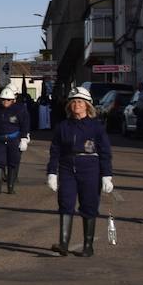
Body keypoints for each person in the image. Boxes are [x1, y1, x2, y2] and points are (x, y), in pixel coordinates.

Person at [45, 88, 113, 257]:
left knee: (89, 204)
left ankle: (88, 246)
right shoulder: (63, 126)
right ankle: (63, 243)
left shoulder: (96, 127)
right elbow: (55, 150)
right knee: (65, 202)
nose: (77, 105)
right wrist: (52, 172)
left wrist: (107, 175)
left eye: (80, 102)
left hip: (90, 167)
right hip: (68, 167)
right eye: (74, 102)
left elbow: (105, 151)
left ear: (87, 105)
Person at [0, 87, 31, 194]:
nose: (6, 102)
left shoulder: (19, 110)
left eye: (8, 100)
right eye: (3, 99)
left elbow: (25, 124)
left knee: (12, 162)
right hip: (0, 140)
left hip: (14, 139)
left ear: (13, 100)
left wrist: (24, 138)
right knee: (0, 162)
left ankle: (10, 187)